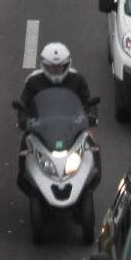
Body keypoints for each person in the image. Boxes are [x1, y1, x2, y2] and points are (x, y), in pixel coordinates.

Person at [16, 42, 100, 193]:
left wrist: (91, 116)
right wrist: (23, 121)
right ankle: (25, 177)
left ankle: (92, 175)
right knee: (25, 147)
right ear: (44, 65)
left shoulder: (77, 80)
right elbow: (24, 105)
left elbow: (87, 102)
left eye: (60, 67)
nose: (56, 71)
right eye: (52, 68)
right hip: (41, 127)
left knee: (92, 146)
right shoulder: (33, 81)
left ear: (67, 65)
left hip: (72, 126)